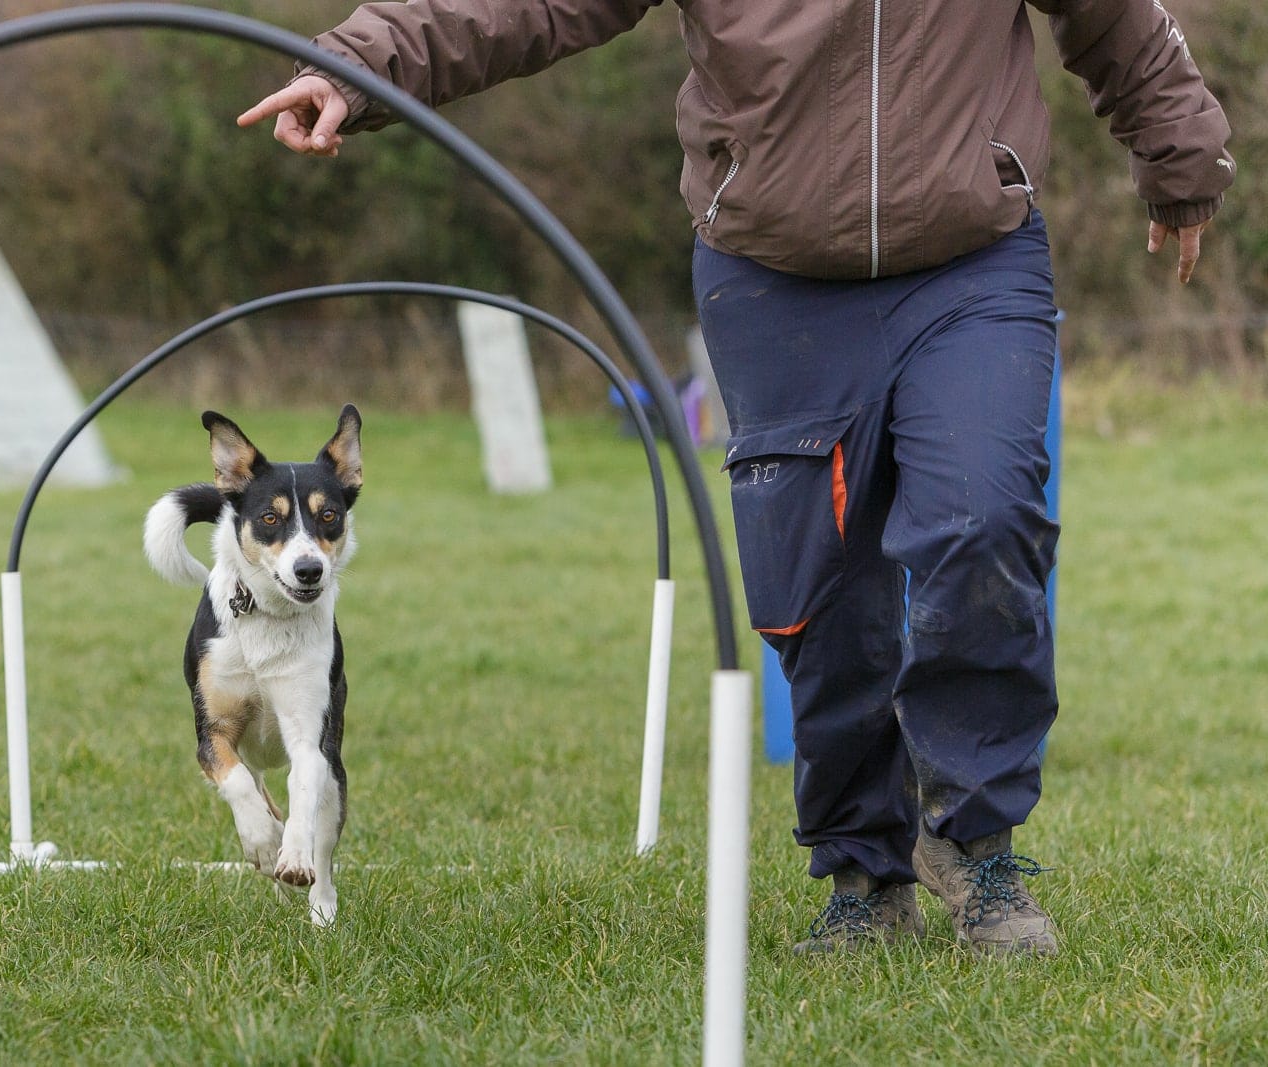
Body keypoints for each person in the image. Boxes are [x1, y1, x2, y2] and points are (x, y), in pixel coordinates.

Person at [239, 1, 1234, 957]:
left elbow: (1117, 17)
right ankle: (861, 874)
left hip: (970, 261)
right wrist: (355, 65)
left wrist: (1180, 154)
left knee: (984, 515)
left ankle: (976, 848)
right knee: (817, 580)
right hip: (772, 275)